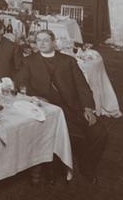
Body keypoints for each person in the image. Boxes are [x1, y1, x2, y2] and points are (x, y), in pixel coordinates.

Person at [16, 30, 108, 184]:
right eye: (38, 40)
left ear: (53, 42)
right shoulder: (29, 61)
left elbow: (82, 86)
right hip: (47, 109)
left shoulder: (68, 61)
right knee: (56, 134)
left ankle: (87, 166)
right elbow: (20, 82)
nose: (42, 43)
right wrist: (35, 97)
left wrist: (88, 108)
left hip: (72, 108)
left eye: (46, 40)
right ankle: (51, 167)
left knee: (100, 133)